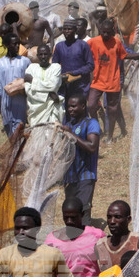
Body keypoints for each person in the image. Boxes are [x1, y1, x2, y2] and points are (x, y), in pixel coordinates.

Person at [87, 20, 138, 141]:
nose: (105, 35)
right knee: (91, 105)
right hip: (97, 81)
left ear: (113, 32)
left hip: (113, 81)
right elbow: (83, 51)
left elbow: (124, 55)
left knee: (112, 108)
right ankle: (97, 128)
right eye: (103, 32)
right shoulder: (93, 42)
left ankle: (110, 136)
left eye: (108, 32)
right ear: (100, 31)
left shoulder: (117, 42)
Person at [61, 95, 101, 224]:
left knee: (83, 211)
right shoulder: (67, 125)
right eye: (68, 106)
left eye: (73, 106)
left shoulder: (91, 123)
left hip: (85, 175)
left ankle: (87, 239)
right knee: (71, 214)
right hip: (70, 177)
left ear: (83, 106)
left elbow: (92, 147)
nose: (70, 109)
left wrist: (71, 134)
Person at [44, 197, 103, 277]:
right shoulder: (52, 241)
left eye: (73, 217)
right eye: (66, 217)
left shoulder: (96, 236)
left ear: (82, 214)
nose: (69, 221)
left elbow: (107, 265)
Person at [0, 32, 30, 137]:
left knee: (19, 130)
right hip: (5, 104)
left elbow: (29, 81)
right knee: (10, 133)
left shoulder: (25, 61)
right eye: (14, 44)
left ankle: (18, 153)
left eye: (18, 43)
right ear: (7, 45)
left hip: (20, 102)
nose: (17, 46)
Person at [95, 201, 139, 271]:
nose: (112, 221)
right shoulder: (100, 246)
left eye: (117, 217)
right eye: (109, 217)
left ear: (128, 219)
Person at [53, 20, 95, 99]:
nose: (67, 31)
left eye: (69, 29)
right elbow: (54, 65)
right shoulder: (59, 46)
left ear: (75, 30)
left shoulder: (83, 45)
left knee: (79, 109)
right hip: (64, 85)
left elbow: (90, 65)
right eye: (65, 29)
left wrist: (74, 73)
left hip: (81, 85)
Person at [24, 43, 63, 126]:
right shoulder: (31, 68)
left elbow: (53, 86)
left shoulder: (56, 67)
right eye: (41, 54)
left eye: (45, 54)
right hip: (35, 111)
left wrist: (33, 80)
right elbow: (28, 90)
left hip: (51, 109)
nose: (43, 57)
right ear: (37, 56)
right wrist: (49, 95)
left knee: (52, 134)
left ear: (50, 55)